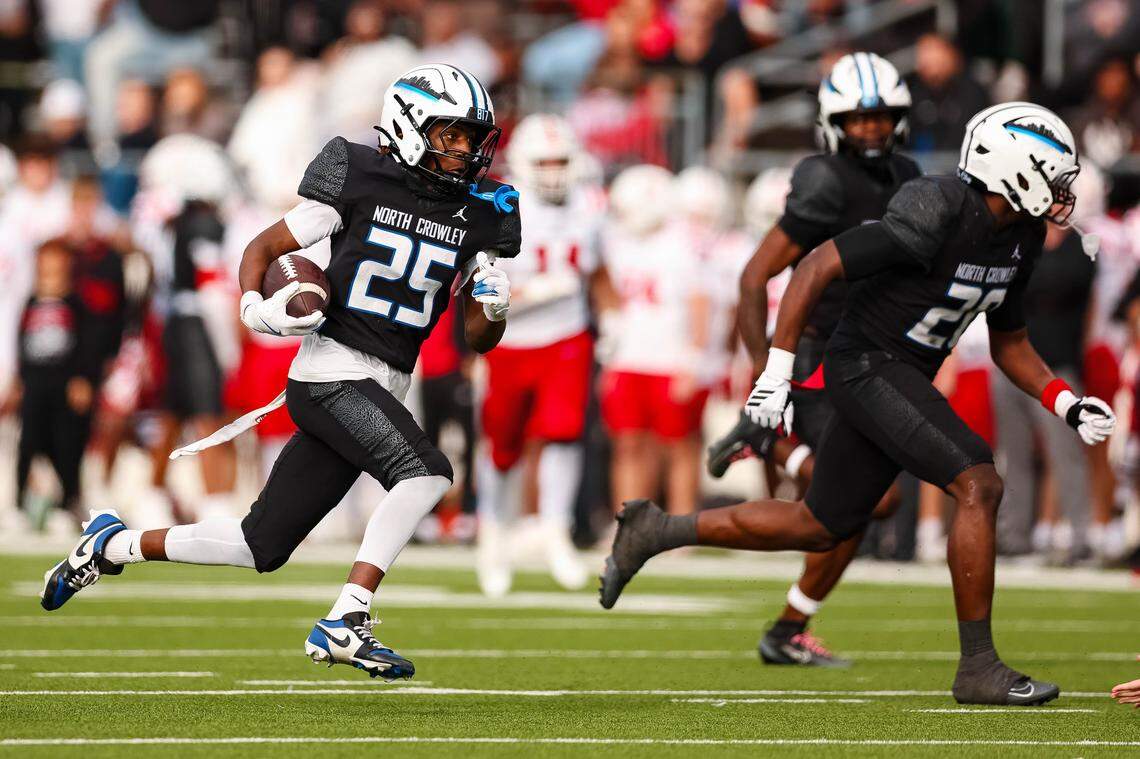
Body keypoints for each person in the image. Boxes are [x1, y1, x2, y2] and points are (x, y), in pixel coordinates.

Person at [599, 102, 1116, 706]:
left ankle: (655, 529)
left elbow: (1011, 342)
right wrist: (776, 371)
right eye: (1053, 175)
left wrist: (1067, 403)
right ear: (1015, 170)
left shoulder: (1021, 235)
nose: (1062, 192)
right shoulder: (939, 206)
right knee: (979, 481)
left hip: (900, 370)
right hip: (866, 362)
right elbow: (814, 267)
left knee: (821, 524)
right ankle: (978, 666)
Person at [39, 64, 519, 682]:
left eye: (470, 137)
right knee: (427, 474)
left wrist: (495, 306)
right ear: (408, 125)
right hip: (331, 372)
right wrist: (254, 308)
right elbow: (264, 250)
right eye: (449, 134)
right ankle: (349, 618)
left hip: (385, 382)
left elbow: (481, 338)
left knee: (257, 546)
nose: (463, 150)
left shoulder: (482, 213)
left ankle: (107, 545)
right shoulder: (358, 174)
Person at [707, 53, 920, 667]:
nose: (873, 130)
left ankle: (791, 625)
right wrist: (762, 373)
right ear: (834, 122)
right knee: (870, 500)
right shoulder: (825, 181)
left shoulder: (908, 174)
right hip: (822, 355)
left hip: (878, 354)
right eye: (859, 120)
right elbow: (754, 277)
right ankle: (769, 444)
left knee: (863, 504)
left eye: (882, 119)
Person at [476, 113, 616, 597]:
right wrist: (533, 292)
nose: (555, 170)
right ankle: (494, 532)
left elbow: (598, 269)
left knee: (563, 433)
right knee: (503, 445)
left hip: (568, 336)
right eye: (544, 161)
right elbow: (478, 282)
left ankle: (554, 528)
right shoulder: (498, 204)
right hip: (510, 338)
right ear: (522, 163)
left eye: (561, 160)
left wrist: (612, 317)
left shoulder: (592, 203)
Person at [600, 164, 709, 518]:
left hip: (669, 359)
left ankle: (681, 524)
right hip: (627, 358)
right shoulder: (615, 240)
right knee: (628, 443)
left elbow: (700, 302)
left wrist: (693, 359)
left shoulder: (682, 242)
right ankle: (629, 523)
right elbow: (603, 288)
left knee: (678, 446)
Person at [16, 240, 97, 523]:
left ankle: (67, 503)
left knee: (67, 444)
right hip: (35, 383)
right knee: (28, 443)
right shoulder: (30, 301)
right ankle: (20, 504)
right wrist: (19, 379)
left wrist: (83, 379)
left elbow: (86, 343)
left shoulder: (76, 302)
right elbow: (22, 341)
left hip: (65, 384)